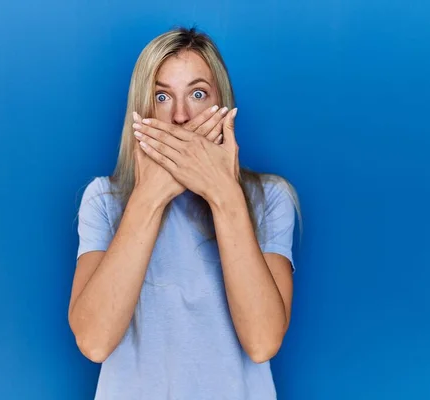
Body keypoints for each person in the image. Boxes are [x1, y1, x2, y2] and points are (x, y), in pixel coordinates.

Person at [68, 26, 301, 399]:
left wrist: (224, 194)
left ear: (221, 105)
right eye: (162, 96)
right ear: (141, 112)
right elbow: (94, 341)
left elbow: (262, 342)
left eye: (197, 94)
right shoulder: (104, 200)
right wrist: (149, 197)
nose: (179, 116)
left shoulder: (269, 198)